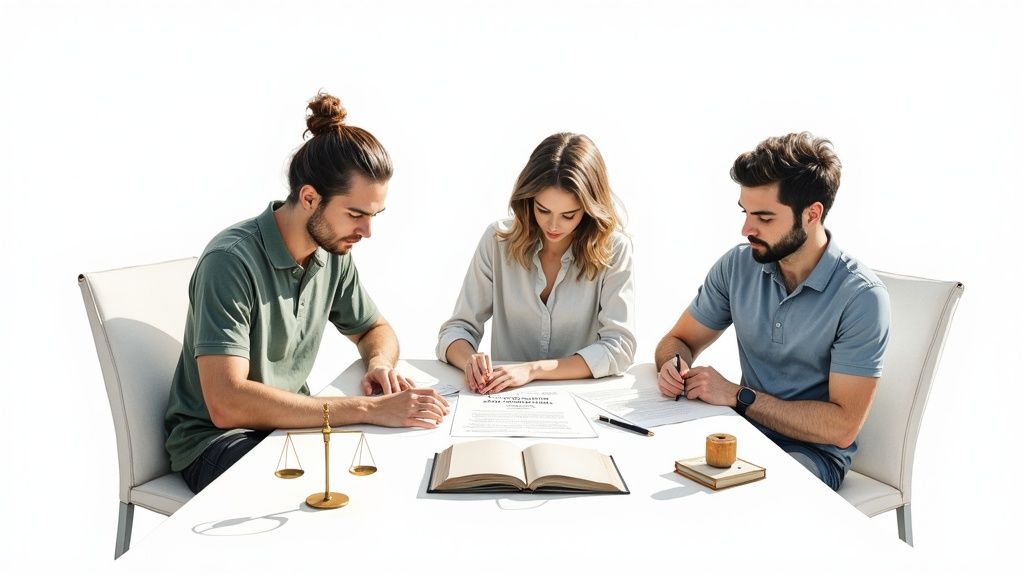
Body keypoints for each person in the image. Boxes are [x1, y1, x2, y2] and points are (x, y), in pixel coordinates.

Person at [165, 92, 449, 493]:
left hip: (287, 430)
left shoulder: (331, 253)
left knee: (390, 462)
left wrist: (379, 364)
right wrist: (368, 408)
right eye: (356, 214)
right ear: (309, 197)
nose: (367, 232)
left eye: (374, 216)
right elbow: (226, 403)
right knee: (335, 481)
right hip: (217, 442)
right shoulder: (230, 262)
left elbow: (375, 329)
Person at [655, 132, 890, 490]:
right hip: (739, 436)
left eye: (764, 218)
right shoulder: (738, 266)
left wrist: (737, 396)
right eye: (746, 213)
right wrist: (674, 366)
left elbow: (842, 428)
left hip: (810, 454)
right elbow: (678, 340)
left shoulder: (862, 298)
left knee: (749, 502)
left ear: (812, 214)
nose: (746, 229)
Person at [437, 132, 636, 394]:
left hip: (578, 399)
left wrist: (533, 370)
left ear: (589, 209)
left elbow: (619, 347)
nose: (553, 225)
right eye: (543, 210)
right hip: (503, 398)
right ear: (528, 199)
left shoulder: (614, 250)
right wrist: (469, 361)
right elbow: (457, 330)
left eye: (568, 215)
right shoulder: (497, 241)